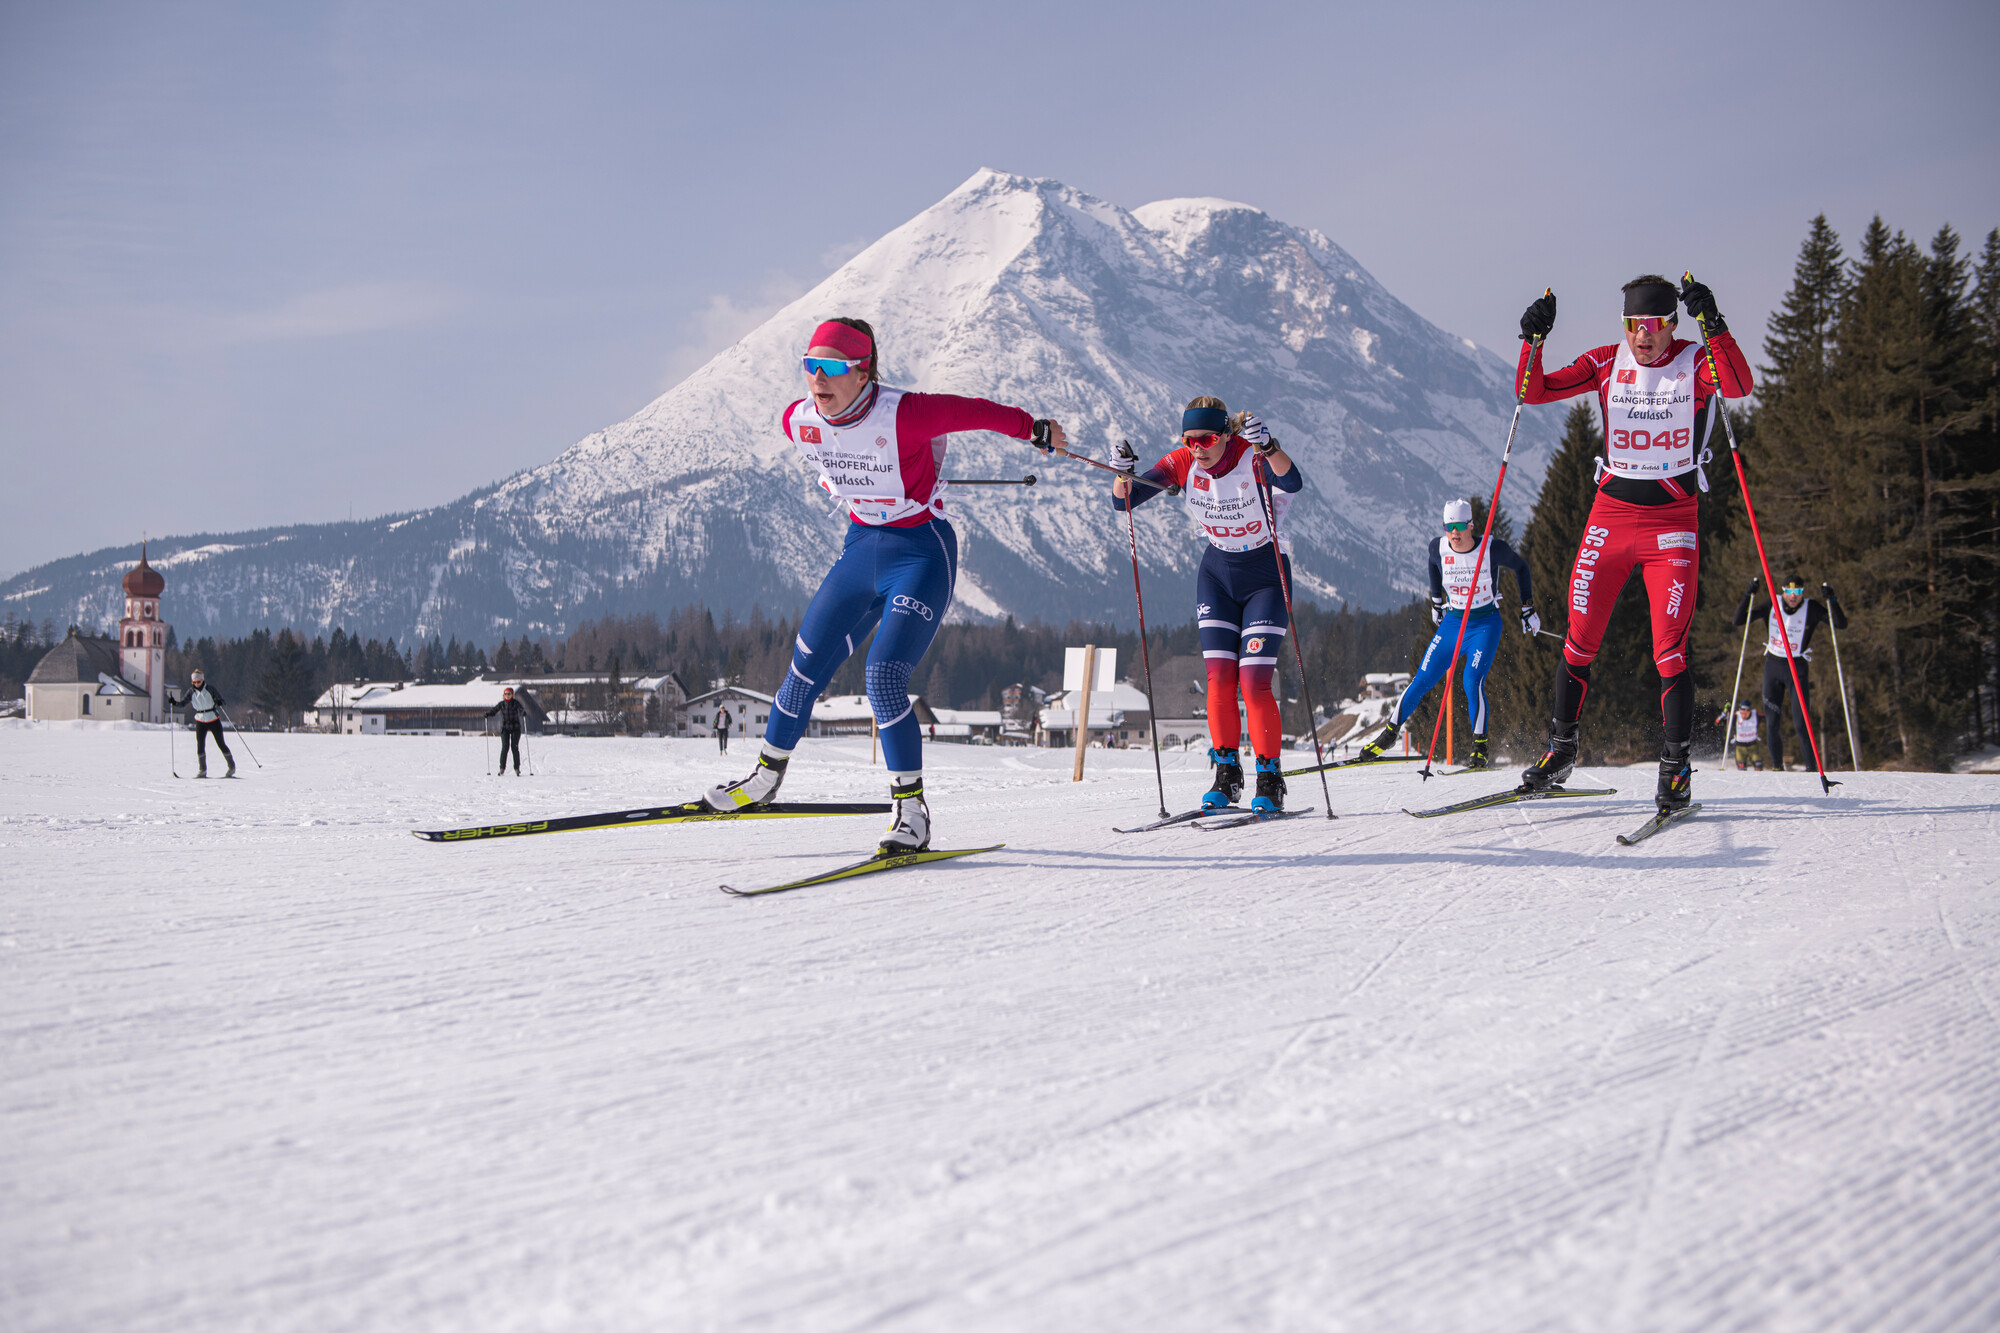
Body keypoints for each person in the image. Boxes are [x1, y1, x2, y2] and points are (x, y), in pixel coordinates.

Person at [702, 317, 1068, 852]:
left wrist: (1033, 428)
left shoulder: (906, 413)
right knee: (803, 668)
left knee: (883, 676)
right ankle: (763, 781)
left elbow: (974, 411)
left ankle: (911, 813)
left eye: (831, 367)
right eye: (810, 365)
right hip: (860, 549)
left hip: (920, 553)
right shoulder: (797, 420)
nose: (817, 378)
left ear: (863, 371)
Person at [1512, 274, 1753, 813]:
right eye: (1632, 324)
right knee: (1578, 640)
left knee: (1669, 651)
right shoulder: (1605, 362)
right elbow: (1533, 391)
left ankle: (1676, 769)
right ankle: (1561, 750)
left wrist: (1714, 326)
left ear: (1672, 323)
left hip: (1672, 524)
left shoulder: (1695, 362)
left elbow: (1738, 385)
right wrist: (1533, 342)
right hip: (1611, 518)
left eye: (1653, 324)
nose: (1642, 336)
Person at [1111, 397, 1305, 814]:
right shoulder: (1183, 462)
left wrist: (1269, 446)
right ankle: (1227, 774)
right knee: (1219, 679)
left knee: (1253, 682)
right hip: (1217, 575)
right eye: (1189, 439)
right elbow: (1125, 500)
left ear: (1226, 435)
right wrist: (1121, 475)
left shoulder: (1251, 455)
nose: (1197, 447)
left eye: (1207, 438)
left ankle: (1269, 779)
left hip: (1266, 575)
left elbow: (1292, 482)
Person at [1357, 499, 1537, 770]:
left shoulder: (1492, 549)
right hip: (1453, 623)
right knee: (1423, 678)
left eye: (1460, 526)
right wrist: (1436, 600)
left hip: (1484, 624)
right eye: (1449, 527)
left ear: (1471, 526)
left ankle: (1480, 747)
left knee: (1471, 680)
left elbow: (1522, 568)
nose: (1454, 533)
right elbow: (1432, 564)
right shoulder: (1438, 547)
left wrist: (1527, 608)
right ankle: (1389, 734)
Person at [1733, 575, 1846, 772]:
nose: (1793, 596)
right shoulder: (1772, 603)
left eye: (1798, 592)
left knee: (1802, 724)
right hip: (1773, 667)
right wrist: (1748, 595)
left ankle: (1811, 769)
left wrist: (1832, 600)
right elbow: (1738, 620)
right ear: (1783, 591)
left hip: (1797, 668)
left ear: (1802, 593)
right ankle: (1777, 767)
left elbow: (1840, 624)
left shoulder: (1811, 607)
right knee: (1772, 723)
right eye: (1790, 592)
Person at [167, 668, 234, 778]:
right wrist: (174, 702)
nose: (196, 684)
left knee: (221, 744)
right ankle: (202, 770)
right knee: (200, 745)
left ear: (202, 680)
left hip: (213, 719)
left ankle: (231, 766)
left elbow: (221, 700)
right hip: (200, 721)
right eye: (194, 682)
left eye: (198, 682)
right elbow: (183, 703)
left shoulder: (210, 689)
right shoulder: (191, 692)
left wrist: (219, 701)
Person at [485, 686, 527, 775]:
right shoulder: (502, 704)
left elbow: (521, 709)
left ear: (512, 695)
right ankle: (502, 768)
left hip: (515, 728)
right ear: (503, 695)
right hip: (505, 728)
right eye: (505, 694)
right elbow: (494, 711)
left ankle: (517, 768)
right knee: (505, 747)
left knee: (514, 747)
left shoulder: (515, 703)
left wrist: (523, 712)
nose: (507, 695)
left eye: (509, 694)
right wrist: (488, 714)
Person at [1722, 700, 1764, 770]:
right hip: (1740, 747)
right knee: (1741, 768)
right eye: (1742, 712)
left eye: (1747, 712)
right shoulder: (1735, 716)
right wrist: (1725, 713)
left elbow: (1768, 717)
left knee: (1758, 765)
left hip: (1753, 746)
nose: (1744, 715)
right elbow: (1717, 722)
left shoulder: (1756, 715)